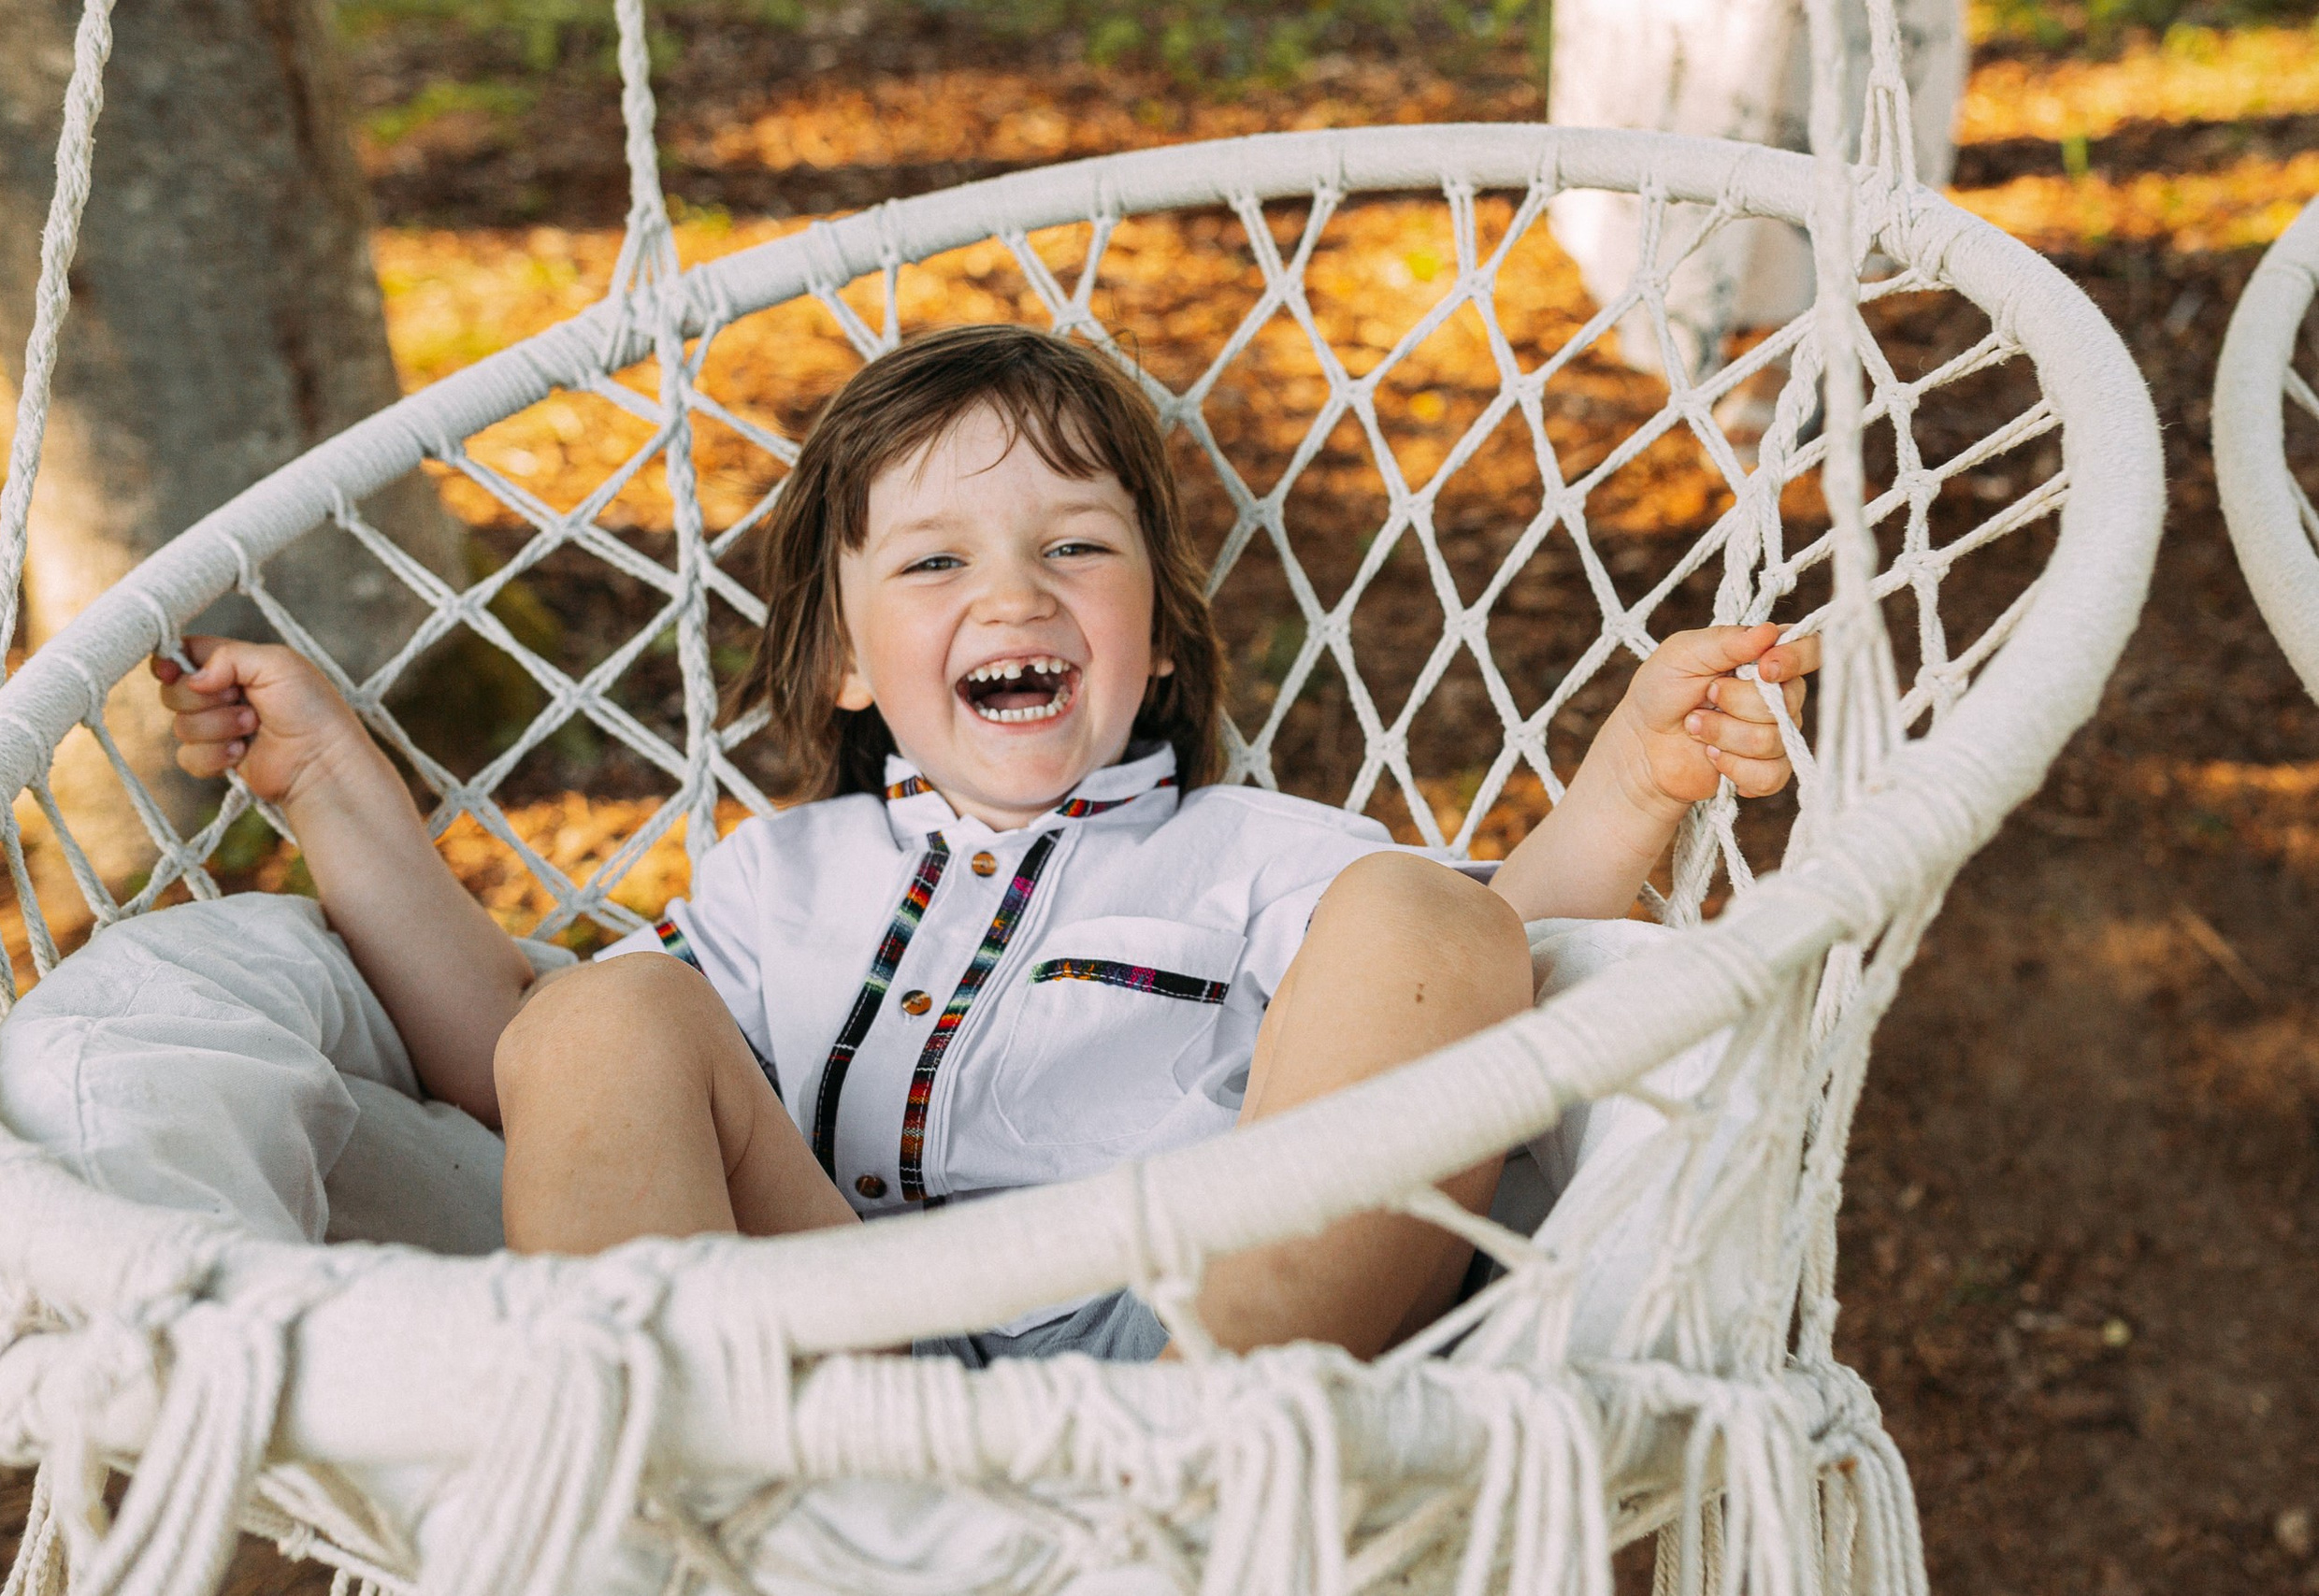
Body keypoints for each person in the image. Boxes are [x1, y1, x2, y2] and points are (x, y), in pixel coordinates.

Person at [152, 324, 1814, 1364]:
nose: (1014, 593)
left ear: (1158, 639)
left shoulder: (1246, 853)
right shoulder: (775, 885)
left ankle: (1199, 1479)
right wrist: (331, 783)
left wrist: (1632, 783)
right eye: (935, 563)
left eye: (1075, 547)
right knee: (600, 1014)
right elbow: (515, 1065)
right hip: (824, 1349)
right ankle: (621, 1495)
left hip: (1186, 1347)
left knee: (1421, 915)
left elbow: (1474, 977)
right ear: (843, 661)